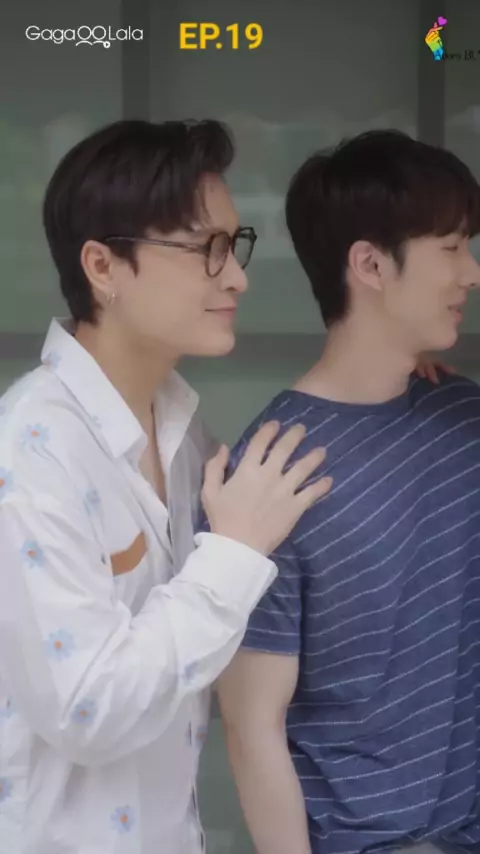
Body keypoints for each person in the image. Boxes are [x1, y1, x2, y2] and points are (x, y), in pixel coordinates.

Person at [0, 119, 334, 854]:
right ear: (103, 266)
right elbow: (87, 707)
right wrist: (233, 555)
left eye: (235, 245)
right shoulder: (32, 449)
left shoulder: (182, 432)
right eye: (206, 248)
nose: (237, 276)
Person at [212, 130, 480, 854]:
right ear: (370, 264)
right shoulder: (273, 472)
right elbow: (251, 724)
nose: (472, 272)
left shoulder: (463, 418)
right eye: (452, 248)